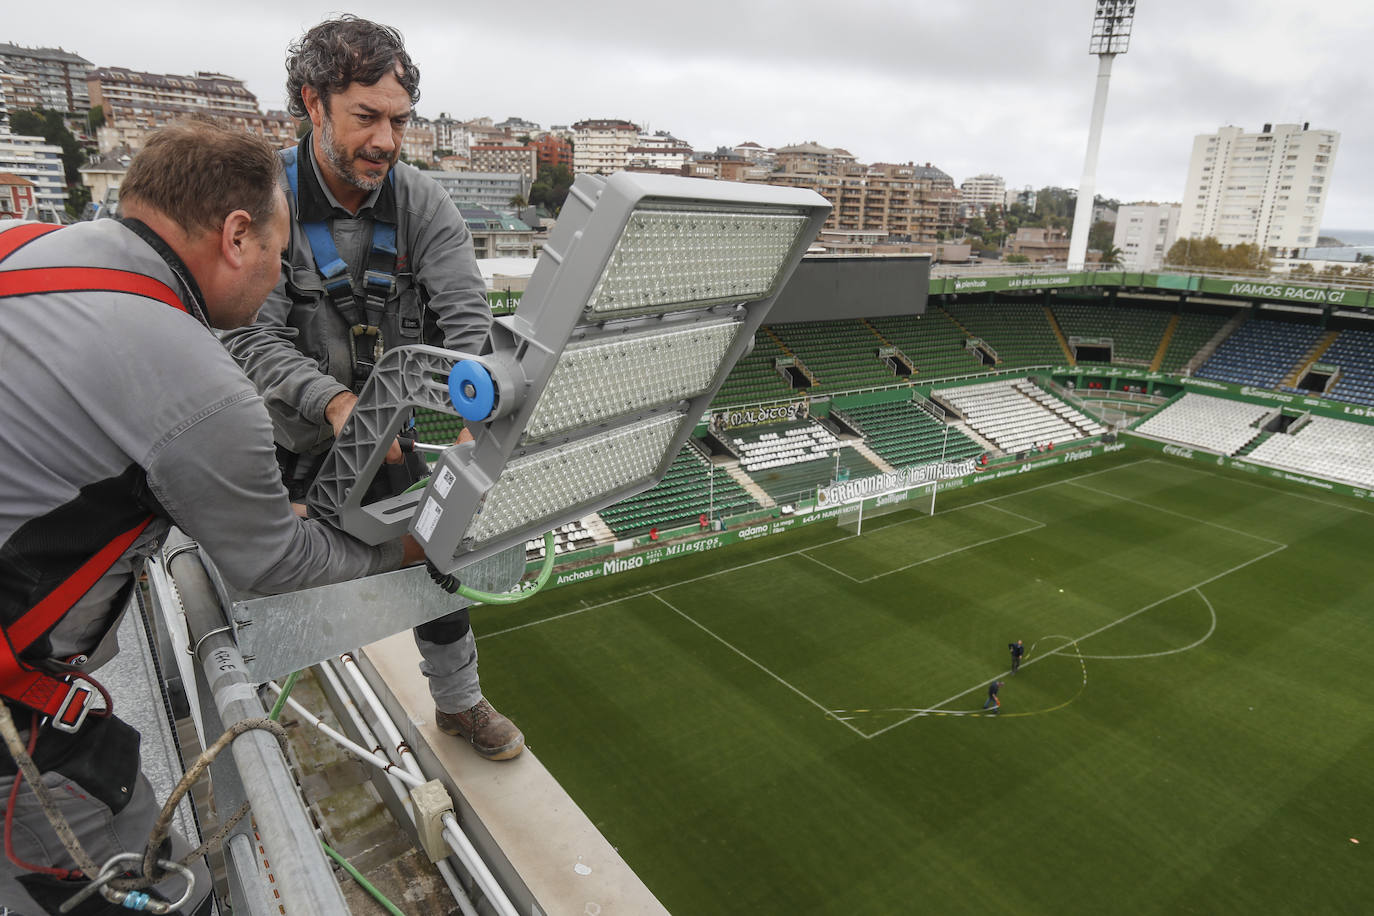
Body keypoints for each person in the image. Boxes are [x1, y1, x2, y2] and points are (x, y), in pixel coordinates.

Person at [0, 122, 423, 915]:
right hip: (13, 701)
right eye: (277, 252)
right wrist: (402, 549)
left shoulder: (22, 247)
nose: (278, 275)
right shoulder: (199, 379)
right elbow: (275, 562)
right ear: (235, 236)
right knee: (131, 873)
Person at [221, 16, 522, 761]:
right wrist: (335, 404)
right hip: (286, 444)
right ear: (312, 103)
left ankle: (458, 702)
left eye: (400, 120)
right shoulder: (264, 202)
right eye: (366, 117)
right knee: (270, 603)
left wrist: (476, 412)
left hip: (388, 443)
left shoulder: (421, 203)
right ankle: (262, 739)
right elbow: (249, 336)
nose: (387, 140)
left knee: (437, 563)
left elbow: (467, 321)